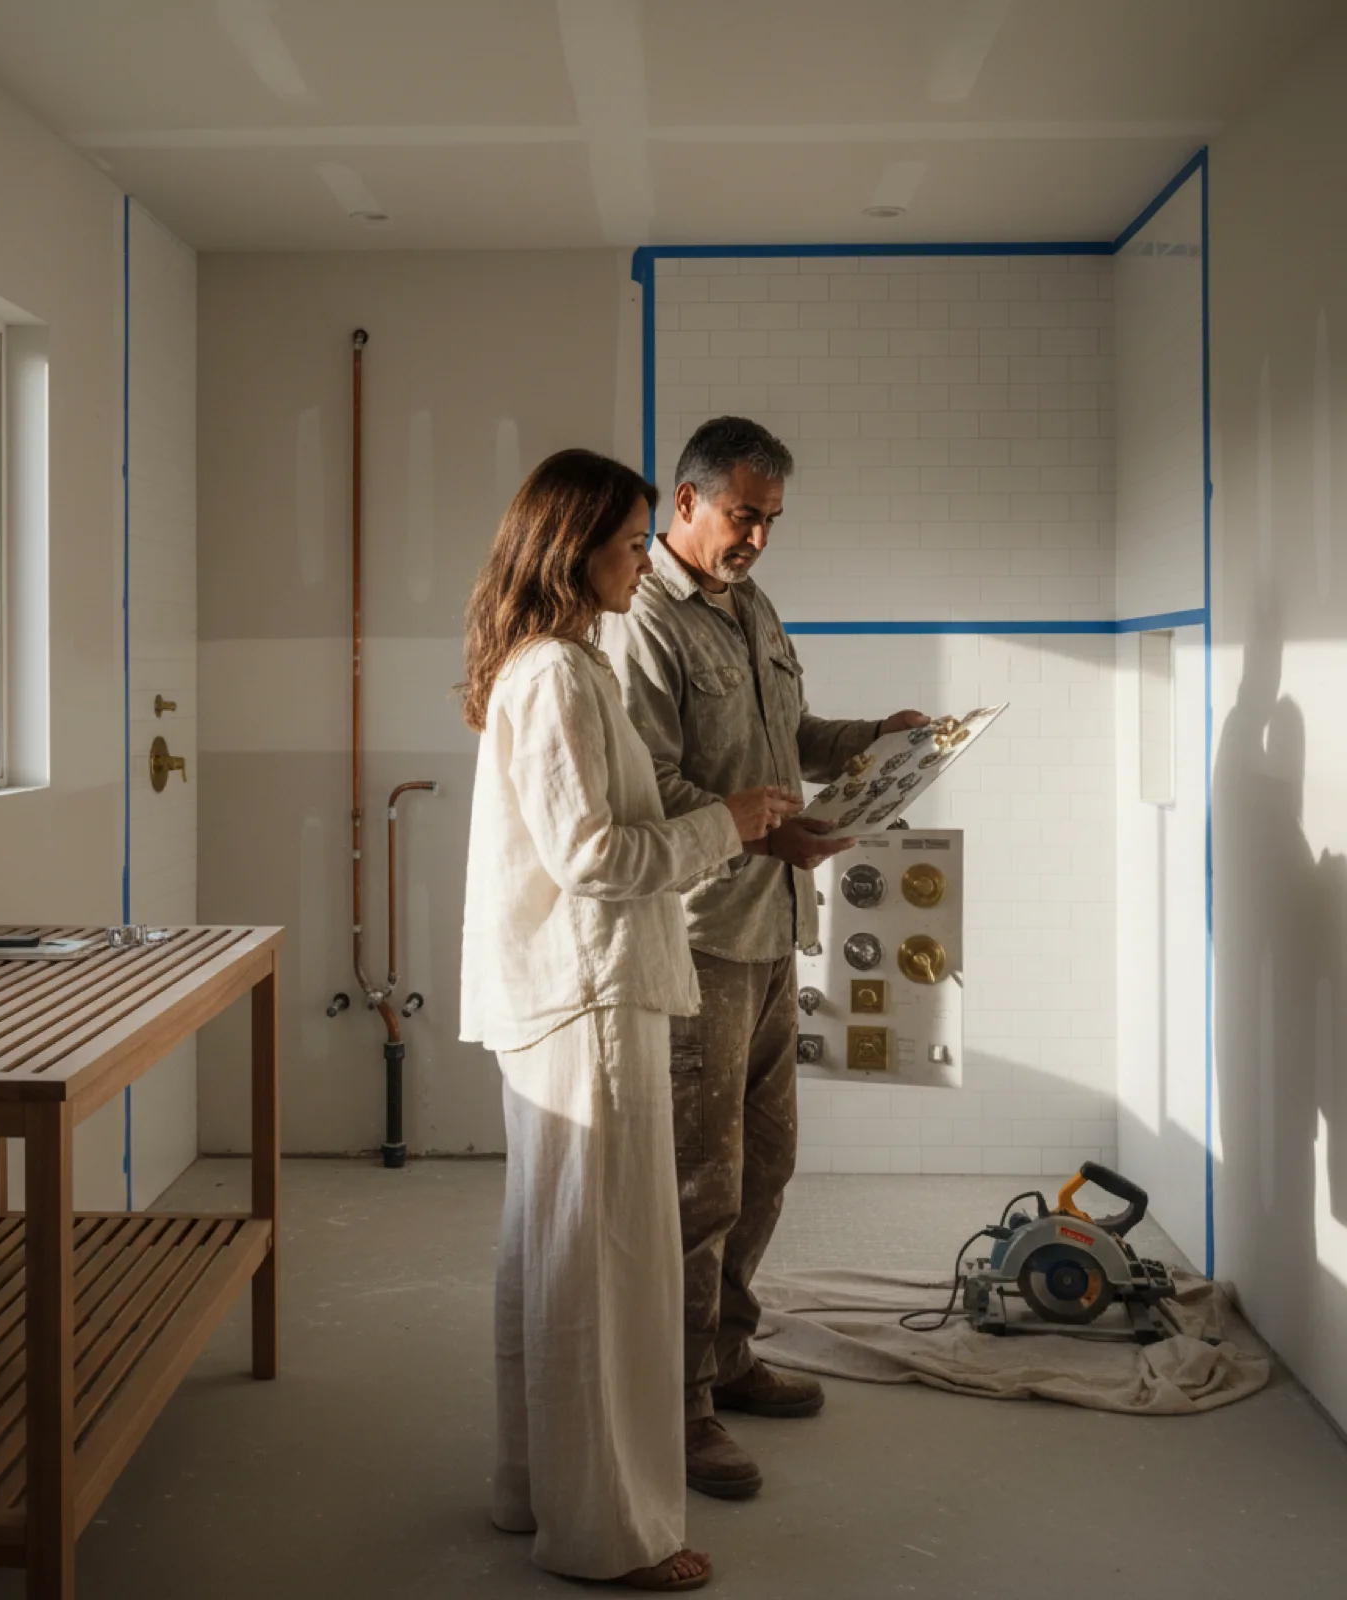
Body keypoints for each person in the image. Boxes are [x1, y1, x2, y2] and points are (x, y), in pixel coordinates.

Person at [459, 448, 804, 1592]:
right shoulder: (558, 672)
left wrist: (741, 817)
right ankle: (608, 1534)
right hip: (589, 993)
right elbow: (595, 858)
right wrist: (734, 825)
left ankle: (530, 1491)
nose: (634, 562)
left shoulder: (557, 664)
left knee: (551, 1260)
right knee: (605, 1273)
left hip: (571, 991)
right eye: (622, 542)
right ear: (571, 549)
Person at [604, 416, 932, 1500]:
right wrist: (762, 831)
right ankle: (679, 1403)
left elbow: (779, 737)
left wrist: (865, 738)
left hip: (770, 928)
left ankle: (728, 1353)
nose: (757, 538)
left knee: (765, 1165)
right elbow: (646, 787)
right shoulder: (639, 621)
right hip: (698, 938)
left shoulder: (749, 607)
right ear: (686, 501)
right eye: (744, 515)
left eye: (771, 521)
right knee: (700, 1183)